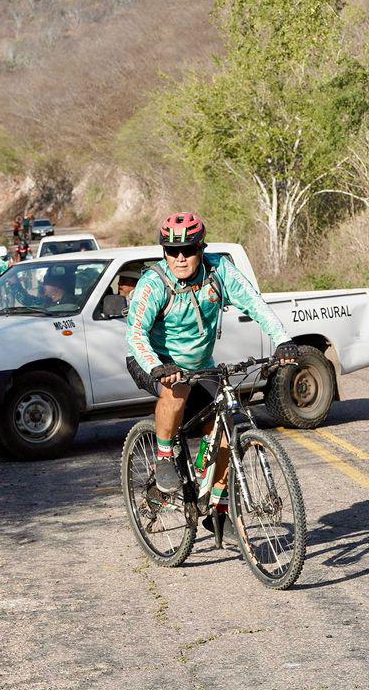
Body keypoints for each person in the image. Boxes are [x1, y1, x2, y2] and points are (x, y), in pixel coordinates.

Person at [125, 212, 299, 533]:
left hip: (199, 366)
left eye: (188, 250)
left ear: (201, 248)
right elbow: (135, 333)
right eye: (171, 250)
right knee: (176, 390)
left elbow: (255, 305)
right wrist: (157, 366)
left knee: (224, 429)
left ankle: (217, 509)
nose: (180, 258)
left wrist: (283, 340)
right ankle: (165, 456)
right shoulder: (154, 283)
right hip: (152, 360)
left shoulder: (219, 271)